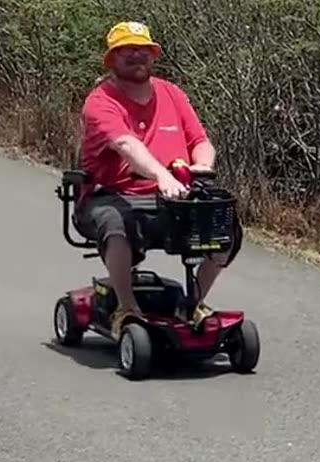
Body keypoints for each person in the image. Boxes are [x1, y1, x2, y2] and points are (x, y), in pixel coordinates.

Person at [74, 21, 232, 334]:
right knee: (116, 222)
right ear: (111, 59)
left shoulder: (171, 93)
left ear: (153, 55)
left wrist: (202, 167)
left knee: (223, 224)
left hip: (172, 197)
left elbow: (200, 141)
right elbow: (125, 143)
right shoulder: (101, 101)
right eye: (126, 51)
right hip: (111, 194)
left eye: (143, 50)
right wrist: (161, 175)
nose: (137, 56)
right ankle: (126, 308)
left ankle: (191, 303)